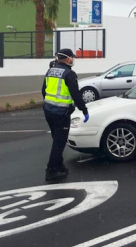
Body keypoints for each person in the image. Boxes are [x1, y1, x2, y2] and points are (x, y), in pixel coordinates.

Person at [42, 49, 89, 181]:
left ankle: (59, 165)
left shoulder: (50, 71)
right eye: (72, 58)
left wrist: (48, 104)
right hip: (61, 113)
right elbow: (76, 95)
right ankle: (51, 170)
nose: (73, 60)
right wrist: (84, 110)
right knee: (59, 142)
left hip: (48, 110)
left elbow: (43, 90)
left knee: (57, 140)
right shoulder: (69, 74)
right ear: (68, 59)